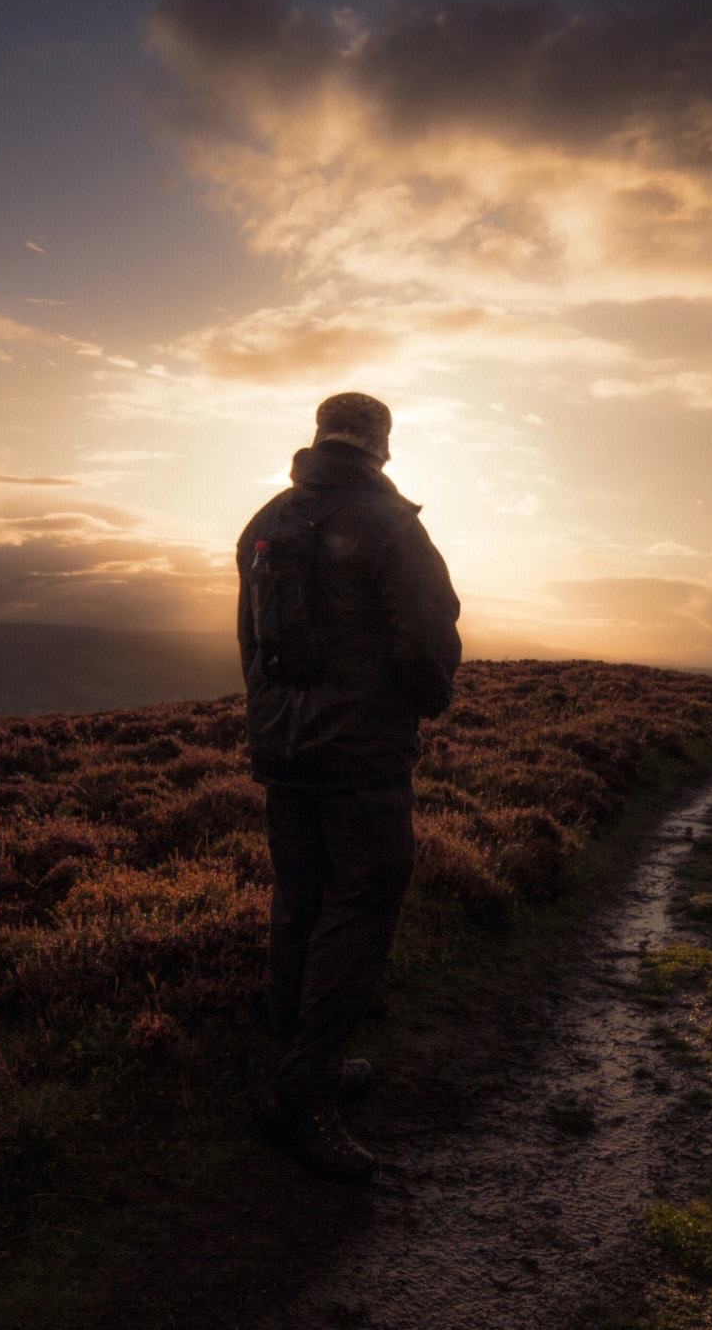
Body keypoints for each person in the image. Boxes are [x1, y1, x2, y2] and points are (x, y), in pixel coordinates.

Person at [236, 392, 461, 1182]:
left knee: (299, 896)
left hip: (285, 752)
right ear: (382, 445)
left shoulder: (264, 521)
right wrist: (419, 705)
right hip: (360, 756)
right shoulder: (391, 526)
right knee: (360, 910)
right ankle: (301, 1099)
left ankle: (303, 1061)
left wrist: (275, 729)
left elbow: (250, 646)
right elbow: (429, 644)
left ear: (319, 436)